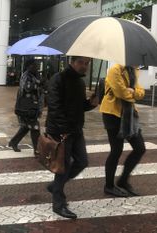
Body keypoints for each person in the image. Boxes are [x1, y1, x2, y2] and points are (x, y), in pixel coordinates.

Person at [45, 56, 99, 219]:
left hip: (76, 130)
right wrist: (63, 129)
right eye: (81, 62)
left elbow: (79, 107)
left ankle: (55, 186)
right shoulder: (58, 79)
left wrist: (91, 104)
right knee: (63, 167)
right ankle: (58, 203)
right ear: (72, 62)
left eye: (87, 63)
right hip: (61, 131)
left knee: (82, 162)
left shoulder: (80, 82)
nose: (85, 66)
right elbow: (54, 107)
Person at [100, 64, 146, 197]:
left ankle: (123, 181)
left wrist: (133, 91)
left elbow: (141, 92)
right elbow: (120, 92)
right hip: (112, 114)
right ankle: (109, 186)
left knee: (140, 148)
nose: (139, 61)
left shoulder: (135, 71)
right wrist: (132, 92)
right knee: (116, 150)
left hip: (129, 114)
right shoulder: (115, 70)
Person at [8, 59, 44, 153]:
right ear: (28, 66)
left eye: (36, 65)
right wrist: (39, 83)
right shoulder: (26, 75)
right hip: (27, 107)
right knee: (35, 127)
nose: (36, 67)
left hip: (34, 106)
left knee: (26, 126)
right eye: (33, 65)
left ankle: (14, 142)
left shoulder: (36, 75)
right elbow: (27, 88)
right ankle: (37, 150)